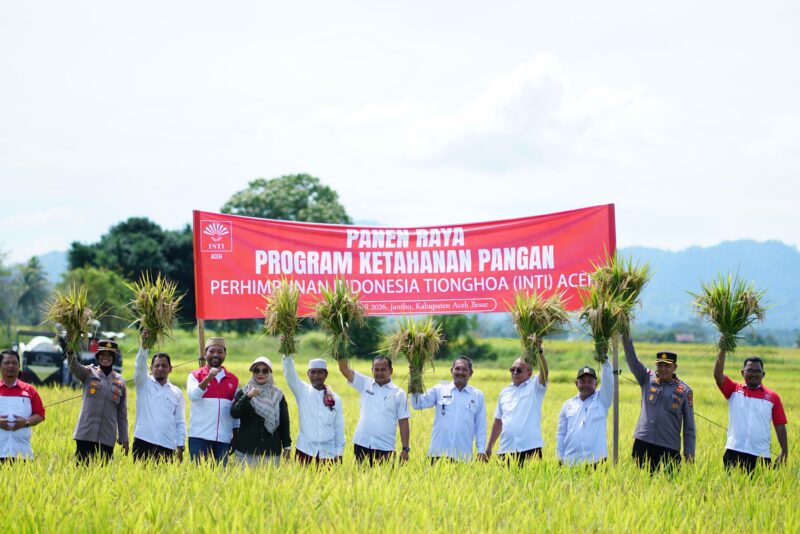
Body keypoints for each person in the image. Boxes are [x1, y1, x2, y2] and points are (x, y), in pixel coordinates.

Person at [622, 335, 695, 471]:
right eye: (660, 365)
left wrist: (689, 452)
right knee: (640, 484)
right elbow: (632, 358)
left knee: (669, 488)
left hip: (669, 447)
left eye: (667, 366)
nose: (663, 369)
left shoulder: (685, 390)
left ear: (675, 367)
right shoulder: (647, 379)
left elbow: (689, 426)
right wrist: (625, 334)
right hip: (643, 442)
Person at [713, 351, 788, 471]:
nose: (754, 374)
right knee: (730, 488)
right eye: (750, 370)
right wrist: (723, 349)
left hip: (761, 456)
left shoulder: (773, 397)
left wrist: (784, 451)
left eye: (757, 371)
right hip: (734, 452)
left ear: (763, 374)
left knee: (759, 489)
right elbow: (717, 375)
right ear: (742, 373)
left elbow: (780, 425)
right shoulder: (733, 390)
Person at [410, 356, 486, 462]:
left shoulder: (477, 395)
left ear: (471, 373)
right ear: (451, 371)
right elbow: (417, 404)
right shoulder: (439, 390)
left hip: (463, 456)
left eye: (464, 369)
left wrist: (481, 450)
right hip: (437, 453)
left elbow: (480, 426)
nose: (460, 372)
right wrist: (414, 380)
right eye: (457, 368)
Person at [338, 356, 410, 465]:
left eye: (383, 369)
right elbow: (344, 369)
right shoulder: (365, 383)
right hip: (361, 443)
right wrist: (340, 347)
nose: (379, 372)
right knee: (360, 480)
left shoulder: (399, 393)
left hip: (385, 447)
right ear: (372, 370)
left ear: (391, 370)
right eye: (376, 369)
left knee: (383, 481)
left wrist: (405, 449)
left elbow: (403, 422)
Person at [68, 339, 128, 463]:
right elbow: (73, 366)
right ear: (98, 357)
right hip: (85, 433)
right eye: (103, 355)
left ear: (113, 358)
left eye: (109, 355)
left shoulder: (120, 381)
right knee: (80, 472)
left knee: (103, 475)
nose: (106, 358)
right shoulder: (88, 373)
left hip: (107, 437)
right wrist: (70, 351)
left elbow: (122, 414)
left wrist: (124, 438)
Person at [485, 350, 549, 466]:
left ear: (529, 373)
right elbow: (498, 421)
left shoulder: (535, 386)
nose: (515, 372)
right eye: (512, 370)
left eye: (519, 370)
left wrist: (539, 351)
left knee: (532, 483)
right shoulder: (504, 392)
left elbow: (544, 372)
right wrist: (489, 446)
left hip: (530, 448)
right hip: (506, 449)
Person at [132, 329, 186, 462]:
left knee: (163, 482)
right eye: (156, 366)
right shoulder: (143, 383)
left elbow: (180, 421)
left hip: (167, 445)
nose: (160, 368)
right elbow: (139, 366)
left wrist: (180, 446)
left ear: (170, 369)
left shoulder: (176, 392)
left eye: (164, 365)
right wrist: (144, 346)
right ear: (151, 368)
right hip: (143, 441)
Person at [282, 355, 344, 465]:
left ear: (326, 374)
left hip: (328, 453)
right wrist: (287, 354)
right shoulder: (302, 391)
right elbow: (290, 374)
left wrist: (339, 453)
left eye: (320, 372)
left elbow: (338, 427)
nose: (316, 376)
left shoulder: (335, 399)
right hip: (304, 450)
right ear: (308, 374)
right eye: (313, 372)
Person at [230, 357, 292, 467]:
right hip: (246, 451)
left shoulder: (278, 395)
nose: (260, 374)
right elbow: (234, 413)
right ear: (252, 373)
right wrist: (247, 397)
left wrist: (287, 446)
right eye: (257, 370)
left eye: (265, 371)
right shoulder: (244, 392)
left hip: (271, 451)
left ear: (270, 373)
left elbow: (284, 422)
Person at [187, 337, 239, 463]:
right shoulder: (195, 375)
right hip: (199, 437)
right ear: (205, 353)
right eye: (212, 351)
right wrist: (209, 377)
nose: (216, 355)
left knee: (221, 477)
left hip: (223, 438)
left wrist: (235, 436)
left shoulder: (233, 379)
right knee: (198, 477)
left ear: (225, 354)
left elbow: (235, 410)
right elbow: (193, 396)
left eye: (220, 351)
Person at [556, 361, 613, 465]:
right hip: (571, 461)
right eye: (582, 381)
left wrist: (604, 360)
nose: (586, 384)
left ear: (596, 384)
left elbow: (608, 379)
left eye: (590, 381)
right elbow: (561, 433)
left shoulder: (602, 400)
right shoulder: (567, 405)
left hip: (597, 462)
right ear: (576, 383)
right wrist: (560, 457)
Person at [0, 349, 45, 462]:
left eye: (14, 363)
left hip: (22, 454)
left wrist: (25, 422)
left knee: (22, 480)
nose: (11, 366)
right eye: (6, 363)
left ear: (19, 366)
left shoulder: (29, 390)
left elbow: (40, 414)